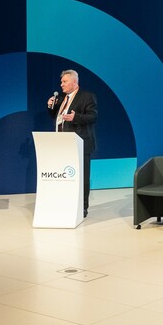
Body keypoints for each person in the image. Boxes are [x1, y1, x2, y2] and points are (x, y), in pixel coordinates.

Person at [46, 69, 98, 217]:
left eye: (64, 82)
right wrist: (50, 106)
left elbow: (93, 117)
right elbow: (56, 117)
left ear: (74, 82)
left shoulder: (87, 96)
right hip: (63, 144)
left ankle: (83, 207)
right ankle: (67, 203)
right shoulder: (62, 98)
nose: (61, 84)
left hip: (80, 143)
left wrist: (76, 117)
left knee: (82, 176)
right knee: (67, 176)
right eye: (61, 82)